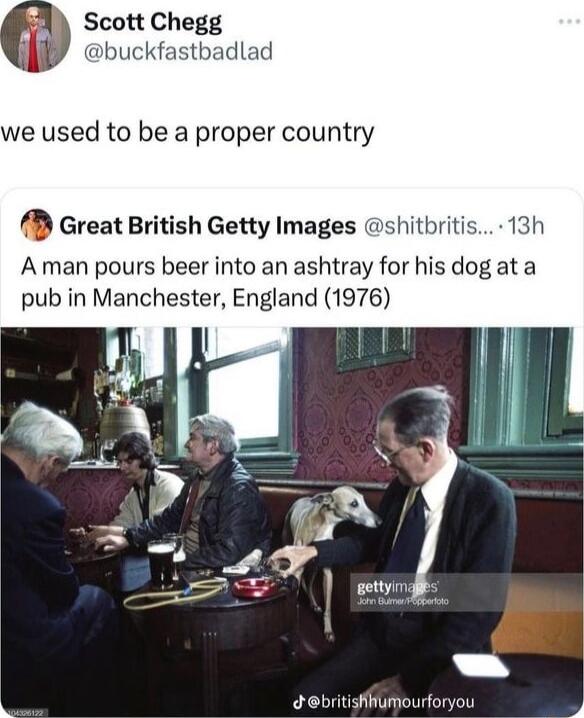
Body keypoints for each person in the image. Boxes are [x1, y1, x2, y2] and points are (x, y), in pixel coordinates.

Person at [271, 385, 517, 716]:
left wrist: (406, 683)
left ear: (426, 449)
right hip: (381, 637)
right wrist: (311, 553)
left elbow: (477, 616)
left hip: (442, 650)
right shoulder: (402, 486)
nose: (387, 463)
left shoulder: (489, 500)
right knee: (305, 700)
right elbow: (370, 542)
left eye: (390, 453)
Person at [1, 402, 118, 714]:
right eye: (58, 474)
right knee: (97, 599)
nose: (53, 482)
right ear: (48, 462)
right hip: (16, 644)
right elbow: (63, 592)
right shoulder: (38, 505)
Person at [95, 414, 272, 568]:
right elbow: (168, 520)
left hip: (207, 572)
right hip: (188, 563)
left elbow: (229, 552)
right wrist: (128, 537)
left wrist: (177, 560)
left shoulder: (237, 487)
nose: (187, 444)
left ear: (213, 446)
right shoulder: (197, 478)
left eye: (193, 438)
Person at [71, 431, 184, 543]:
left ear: (144, 458)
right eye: (120, 462)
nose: (122, 467)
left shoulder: (169, 485)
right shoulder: (134, 493)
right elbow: (121, 524)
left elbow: (160, 530)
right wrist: (90, 533)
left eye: (129, 461)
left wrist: (108, 532)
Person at [18, 6, 58, 73]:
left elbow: (52, 51)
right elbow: (20, 53)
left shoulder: (45, 33)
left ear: (38, 18)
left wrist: (52, 66)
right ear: (27, 18)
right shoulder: (24, 35)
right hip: (27, 70)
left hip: (42, 70)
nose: (34, 18)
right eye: (31, 16)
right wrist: (21, 68)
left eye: (36, 16)